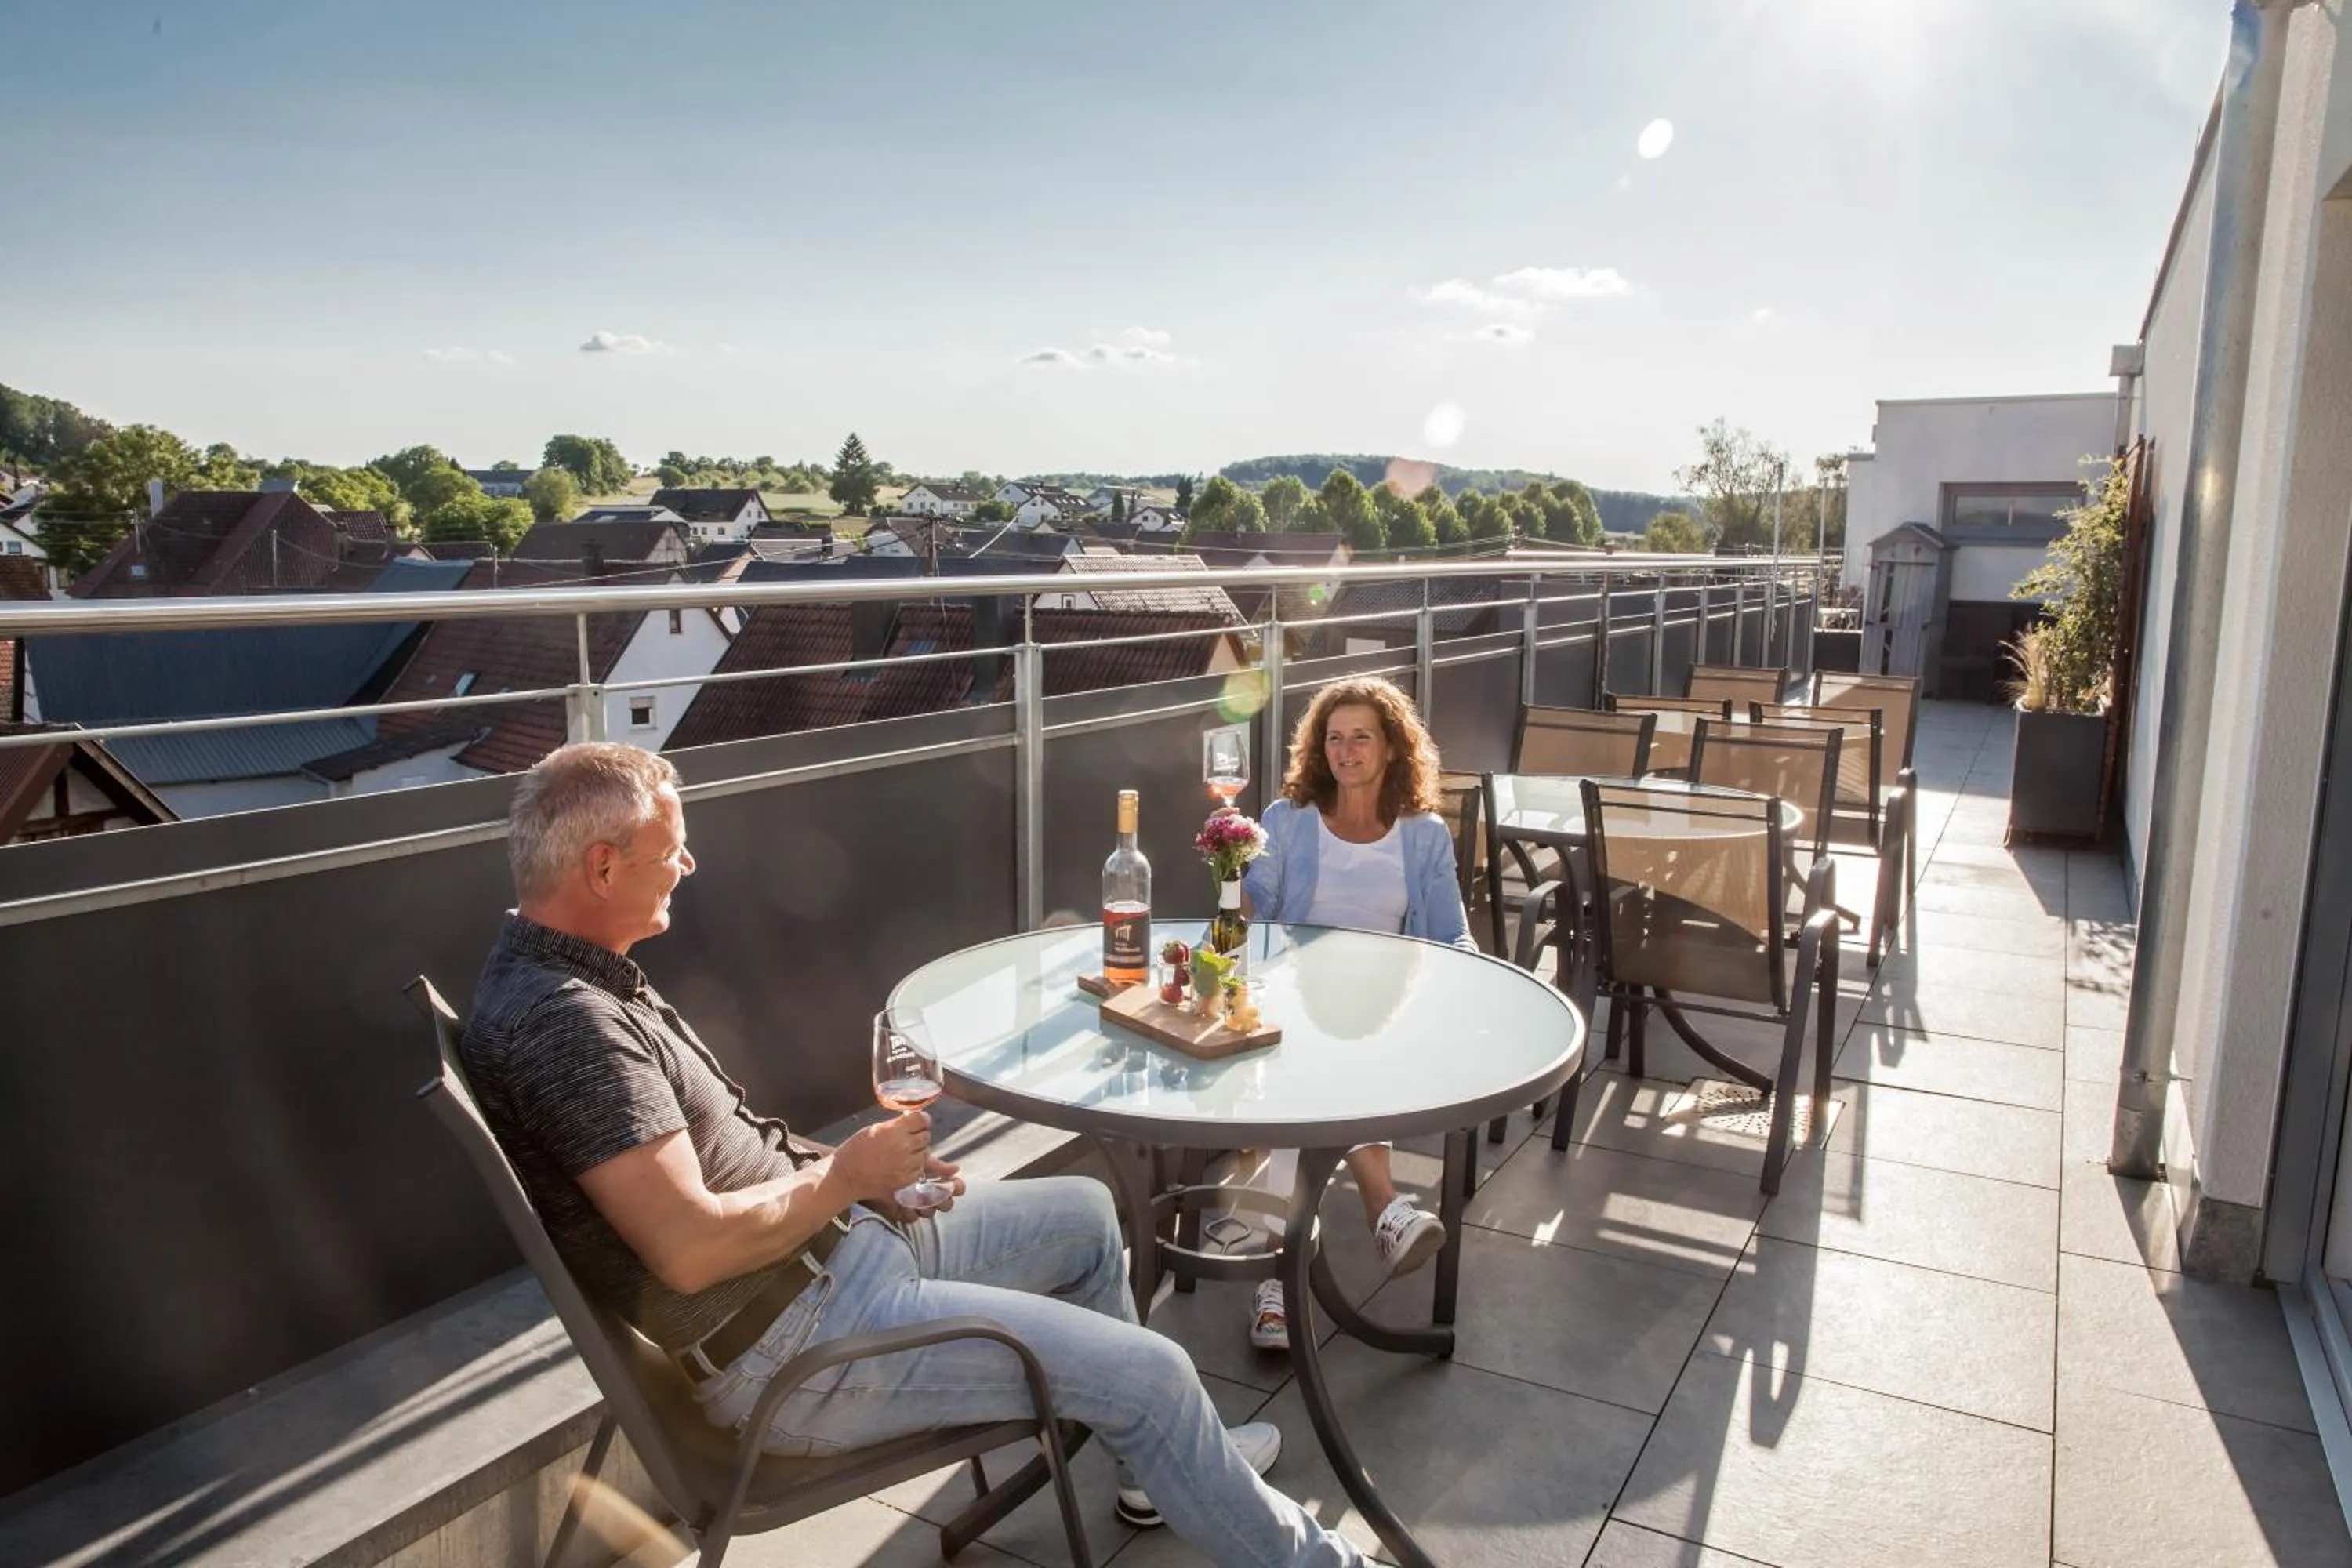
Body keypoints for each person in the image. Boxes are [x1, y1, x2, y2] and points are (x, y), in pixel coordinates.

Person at [461, 742, 1363, 1566]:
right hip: (803, 1348)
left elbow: (737, 1155)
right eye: (671, 850)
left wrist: (861, 1180)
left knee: (1088, 1216)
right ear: (602, 865)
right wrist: (846, 1175)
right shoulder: (569, 1027)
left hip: (833, 1260)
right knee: (1156, 1372)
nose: (688, 866)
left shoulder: (572, 971)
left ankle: (1162, 1455)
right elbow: (690, 1250)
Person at [1233, 676, 1478, 1351]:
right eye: (1333, 738)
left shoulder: (1423, 836)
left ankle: (1275, 1282)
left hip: (1386, 1004)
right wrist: (1229, 872)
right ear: (1320, 749)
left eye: (1361, 736)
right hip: (1294, 994)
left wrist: (1463, 986)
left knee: (1316, 1072)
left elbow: (1454, 936)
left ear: (1392, 747)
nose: (1346, 750)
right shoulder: (1287, 821)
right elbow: (1254, 907)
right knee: (1312, 1055)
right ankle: (1384, 1206)